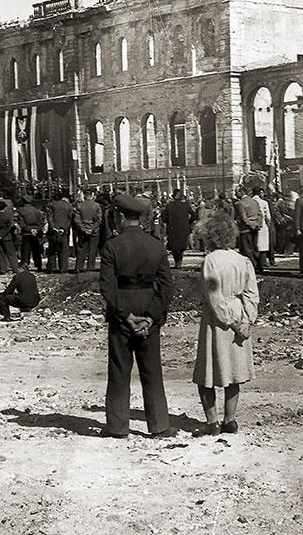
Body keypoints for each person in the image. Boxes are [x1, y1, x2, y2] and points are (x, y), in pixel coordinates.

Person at [99, 194, 176, 439]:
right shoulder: (156, 245)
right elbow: (166, 287)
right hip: (148, 306)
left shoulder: (112, 246)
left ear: (120, 217)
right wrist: (152, 317)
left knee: (120, 368)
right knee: (152, 369)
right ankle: (159, 425)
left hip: (122, 308)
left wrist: (126, 315)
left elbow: (107, 287)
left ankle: (118, 426)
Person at [191, 212, 259, 437]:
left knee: (208, 371)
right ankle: (230, 419)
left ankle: (212, 422)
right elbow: (252, 293)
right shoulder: (242, 260)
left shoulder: (211, 261)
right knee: (234, 371)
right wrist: (247, 319)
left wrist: (228, 318)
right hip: (239, 312)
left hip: (217, 320)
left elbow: (214, 295)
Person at [163, 188, 196, 269]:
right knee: (181, 246)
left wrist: (168, 222)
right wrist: (188, 222)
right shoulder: (186, 205)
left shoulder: (169, 206)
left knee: (174, 246)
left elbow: (163, 217)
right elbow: (194, 215)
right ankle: (179, 262)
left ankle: (176, 261)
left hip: (172, 228)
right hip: (183, 228)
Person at [73, 189, 102, 272]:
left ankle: (79, 267)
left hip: (83, 230)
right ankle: (90, 267)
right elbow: (99, 220)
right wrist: (91, 228)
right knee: (92, 250)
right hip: (94, 230)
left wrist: (84, 229)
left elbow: (77, 220)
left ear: (84, 195)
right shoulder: (97, 206)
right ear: (92, 195)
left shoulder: (79, 206)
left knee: (81, 249)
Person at [235, 186, 262, 270]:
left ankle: (252, 265)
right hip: (255, 227)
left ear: (241, 192)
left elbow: (243, 218)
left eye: (236, 192)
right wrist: (257, 224)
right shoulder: (254, 201)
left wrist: (249, 224)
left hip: (245, 228)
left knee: (247, 248)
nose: (235, 194)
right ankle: (259, 264)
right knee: (255, 246)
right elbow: (260, 214)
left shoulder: (240, 203)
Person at [46, 190, 73, 273]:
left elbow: (49, 217)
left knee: (52, 250)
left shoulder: (52, 205)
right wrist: (64, 228)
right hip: (64, 231)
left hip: (53, 231)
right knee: (64, 251)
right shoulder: (69, 206)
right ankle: (63, 268)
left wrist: (53, 227)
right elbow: (69, 219)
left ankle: (51, 267)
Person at [0, 200, 19, 274]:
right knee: (11, 253)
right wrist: (2, 235)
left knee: (0, 253)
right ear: (5, 208)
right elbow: (9, 227)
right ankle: (15, 268)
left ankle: (3, 269)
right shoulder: (7, 217)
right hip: (7, 237)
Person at [16, 197, 44, 271]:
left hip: (26, 233)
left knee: (25, 250)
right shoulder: (37, 211)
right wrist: (36, 230)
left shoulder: (21, 211)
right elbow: (41, 223)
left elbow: (22, 224)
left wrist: (29, 229)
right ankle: (38, 265)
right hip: (35, 233)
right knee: (36, 250)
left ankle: (25, 264)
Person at [252, 187, 272, 270]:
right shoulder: (264, 203)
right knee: (263, 245)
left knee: (255, 244)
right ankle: (262, 262)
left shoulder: (251, 201)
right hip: (263, 225)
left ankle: (255, 263)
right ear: (260, 193)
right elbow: (268, 217)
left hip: (253, 225)